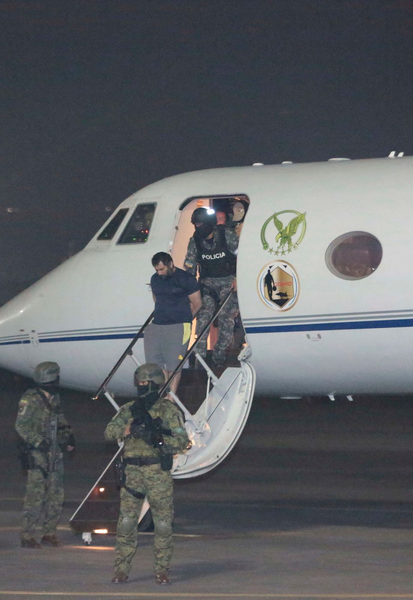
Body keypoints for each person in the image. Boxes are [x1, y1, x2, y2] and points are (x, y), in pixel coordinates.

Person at [104, 363, 189, 585]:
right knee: (126, 522)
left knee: (163, 523)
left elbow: (182, 441)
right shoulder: (130, 409)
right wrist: (129, 429)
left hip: (157, 472)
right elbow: (109, 431)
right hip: (132, 473)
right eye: (140, 382)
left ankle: (162, 570)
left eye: (146, 383)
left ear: (156, 383)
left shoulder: (168, 411)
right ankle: (121, 570)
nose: (142, 386)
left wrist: (159, 440)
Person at [15, 362, 75, 549]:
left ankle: (49, 533)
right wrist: (38, 442)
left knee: (56, 494)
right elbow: (21, 425)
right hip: (38, 454)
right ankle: (27, 535)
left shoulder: (54, 397)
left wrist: (68, 436)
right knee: (36, 494)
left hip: (55, 452)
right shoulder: (30, 399)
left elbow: (59, 418)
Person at [184, 207, 240, 367]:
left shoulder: (227, 235)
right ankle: (200, 361)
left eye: (200, 224)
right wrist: (189, 293)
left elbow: (242, 257)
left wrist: (237, 278)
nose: (198, 228)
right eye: (196, 225)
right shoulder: (195, 241)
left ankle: (219, 356)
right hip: (207, 285)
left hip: (228, 284)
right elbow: (189, 268)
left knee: (226, 320)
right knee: (202, 321)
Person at [144, 252, 202, 396]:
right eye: (157, 270)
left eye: (162, 269)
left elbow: (197, 303)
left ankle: (171, 397)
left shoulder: (185, 279)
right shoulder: (155, 279)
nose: (159, 273)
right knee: (154, 364)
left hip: (178, 325)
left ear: (170, 263)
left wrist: (186, 319)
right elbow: (156, 299)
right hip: (157, 324)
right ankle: (165, 391)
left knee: (174, 364)